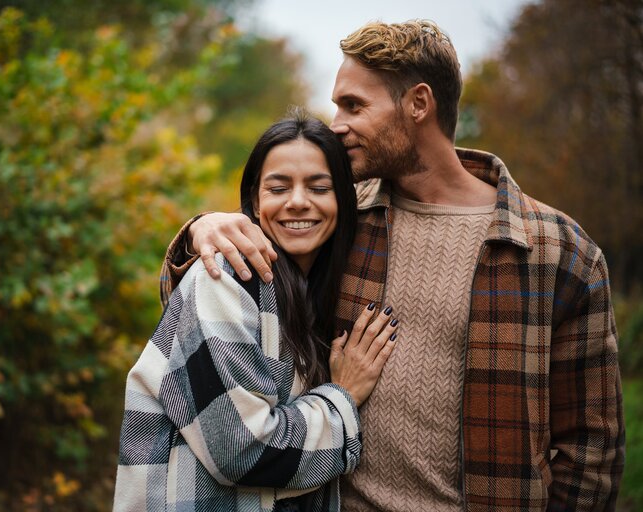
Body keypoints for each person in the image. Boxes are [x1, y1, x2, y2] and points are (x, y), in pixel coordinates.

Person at [161, 20, 625, 512]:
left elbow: (590, 451)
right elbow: (218, 307)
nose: (335, 123)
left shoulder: (559, 253)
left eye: (353, 105)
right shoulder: (340, 218)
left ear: (418, 104)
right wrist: (200, 229)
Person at [114, 111, 399, 512]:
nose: (298, 202)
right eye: (278, 187)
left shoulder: (312, 291)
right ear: (255, 199)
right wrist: (343, 396)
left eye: (319, 187)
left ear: (343, 201)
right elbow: (240, 449)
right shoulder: (228, 277)